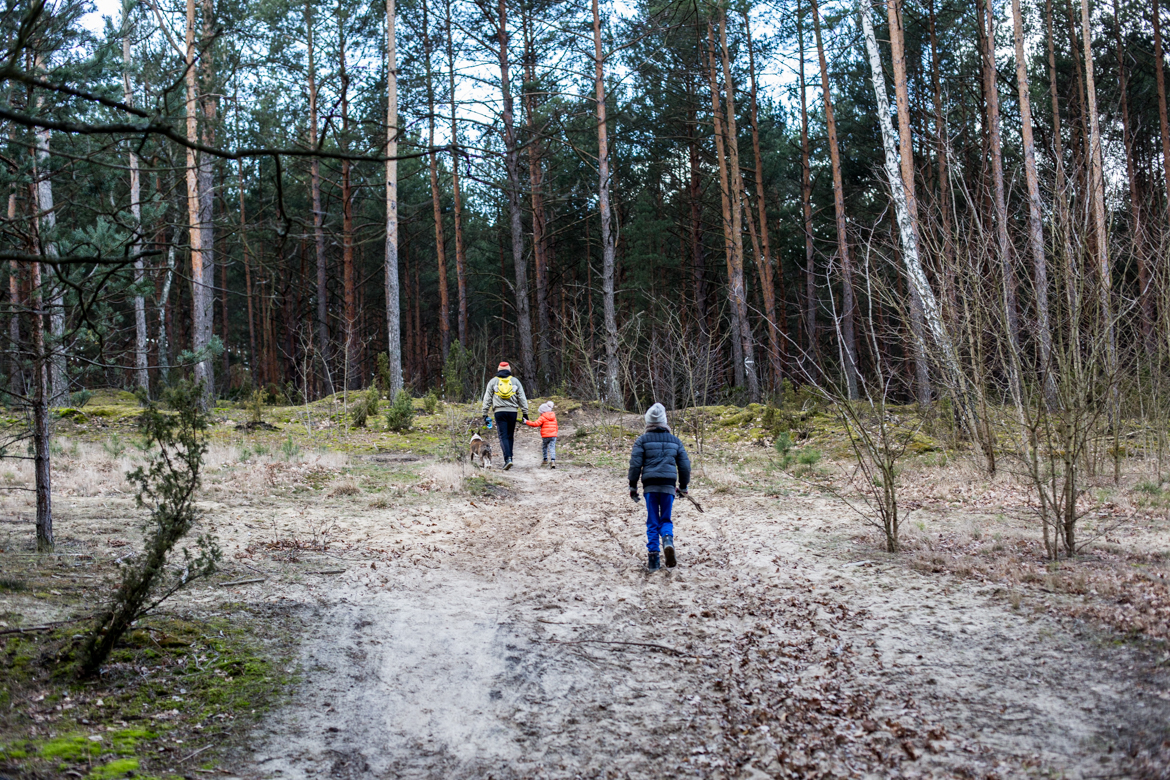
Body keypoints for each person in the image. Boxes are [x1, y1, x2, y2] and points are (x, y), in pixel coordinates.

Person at [628, 402, 690, 570]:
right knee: (666, 519)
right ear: (664, 421)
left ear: (648, 421)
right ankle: (668, 540)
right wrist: (683, 486)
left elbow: (635, 465)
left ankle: (654, 559)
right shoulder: (675, 441)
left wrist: (633, 486)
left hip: (650, 486)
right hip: (669, 486)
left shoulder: (642, 440)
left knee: (652, 521)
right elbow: (685, 466)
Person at [481, 361, 529, 470]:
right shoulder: (515, 381)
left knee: (503, 436)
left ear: (498, 370)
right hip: (512, 412)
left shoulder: (493, 382)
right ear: (509, 370)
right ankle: (510, 458)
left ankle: (507, 459)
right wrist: (525, 412)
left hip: (499, 412)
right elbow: (522, 397)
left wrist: (485, 413)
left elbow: (487, 398)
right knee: (510, 435)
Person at [525, 401, 559, 468]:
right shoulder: (553, 417)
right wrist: (555, 433)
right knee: (552, 448)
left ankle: (545, 460)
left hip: (545, 436)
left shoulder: (542, 417)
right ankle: (553, 461)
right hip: (553, 435)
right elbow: (556, 426)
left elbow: (535, 424)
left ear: (542, 411)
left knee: (544, 447)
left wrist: (526, 422)